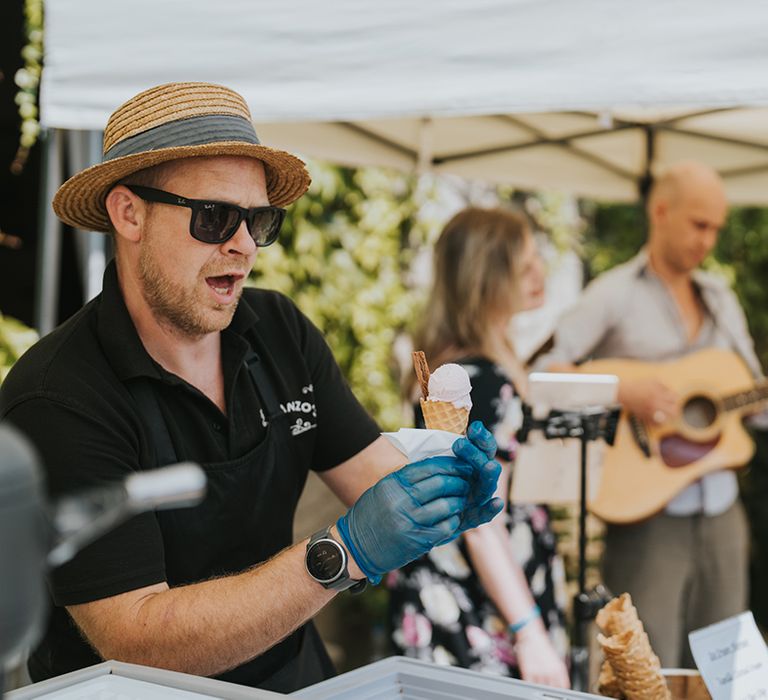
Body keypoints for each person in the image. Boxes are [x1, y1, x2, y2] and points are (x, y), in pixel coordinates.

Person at [0, 82, 504, 693]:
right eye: (213, 217)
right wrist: (342, 553)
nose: (242, 245)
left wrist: (445, 492)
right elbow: (137, 641)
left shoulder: (279, 331)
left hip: (291, 681)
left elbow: (376, 480)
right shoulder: (60, 396)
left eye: (258, 220)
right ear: (128, 213)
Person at [535, 160, 760, 668]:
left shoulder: (719, 297)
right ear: (661, 211)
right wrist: (624, 389)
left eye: (717, 229)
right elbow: (546, 374)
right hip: (644, 516)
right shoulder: (613, 293)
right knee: (641, 666)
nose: (709, 240)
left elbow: (749, 395)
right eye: (699, 225)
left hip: (722, 510)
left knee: (729, 668)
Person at [387, 207, 571, 687]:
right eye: (525, 264)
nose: (540, 274)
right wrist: (529, 630)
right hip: (484, 603)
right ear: (488, 277)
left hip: (469, 592)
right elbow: (482, 523)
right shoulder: (482, 381)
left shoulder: (461, 369)